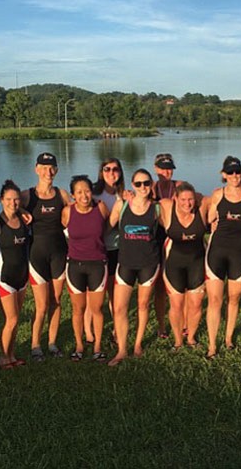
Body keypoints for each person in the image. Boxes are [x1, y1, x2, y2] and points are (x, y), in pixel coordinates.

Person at [205, 156, 241, 359]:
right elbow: (210, 218)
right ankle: (212, 345)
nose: (234, 176)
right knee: (214, 299)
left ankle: (228, 338)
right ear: (224, 175)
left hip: (240, 252)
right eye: (230, 172)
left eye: (237, 172)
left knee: (235, 298)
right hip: (217, 252)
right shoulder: (218, 194)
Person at [21, 152, 72, 361]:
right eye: (43, 167)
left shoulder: (62, 194)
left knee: (56, 300)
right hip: (37, 254)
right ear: (36, 169)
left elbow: (75, 213)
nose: (48, 172)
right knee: (41, 304)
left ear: (56, 170)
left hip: (59, 253)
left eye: (51, 168)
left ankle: (51, 343)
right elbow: (9, 209)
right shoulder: (27, 195)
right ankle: (35, 345)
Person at [108, 169, 160, 366]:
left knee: (143, 305)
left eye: (146, 183)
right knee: (120, 308)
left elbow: (171, 228)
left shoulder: (157, 209)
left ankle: (137, 345)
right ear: (132, 185)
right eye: (138, 184)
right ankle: (122, 349)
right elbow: (107, 227)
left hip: (149, 263)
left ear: (151, 184)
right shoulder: (122, 204)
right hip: (126, 263)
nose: (143, 187)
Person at [61, 175, 110, 362]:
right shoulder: (67, 212)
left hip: (98, 264)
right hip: (75, 265)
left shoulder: (101, 208)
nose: (84, 195)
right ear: (73, 195)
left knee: (97, 309)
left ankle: (97, 347)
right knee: (77, 309)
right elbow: (63, 229)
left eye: (87, 191)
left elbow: (106, 228)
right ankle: (79, 346)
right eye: (79, 192)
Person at [159, 182, 210, 351]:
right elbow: (143, 202)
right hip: (174, 263)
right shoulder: (167, 206)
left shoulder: (202, 208)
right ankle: (178, 341)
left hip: (197, 263)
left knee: (196, 304)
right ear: (175, 198)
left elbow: (221, 197)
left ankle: (192, 339)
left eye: (191, 199)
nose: (187, 204)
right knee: (176, 304)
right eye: (183, 199)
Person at [84, 158, 125, 345]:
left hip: (118, 248)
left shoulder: (124, 195)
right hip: (96, 249)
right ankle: (89, 331)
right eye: (107, 169)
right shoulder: (92, 193)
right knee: (93, 293)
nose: (111, 173)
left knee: (114, 293)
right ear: (101, 172)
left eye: (115, 169)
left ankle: (117, 330)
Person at [0, 180, 29, 369]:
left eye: (16, 200)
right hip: (4, 277)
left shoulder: (24, 220)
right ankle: (3, 358)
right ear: (1, 200)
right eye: (8, 199)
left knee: (16, 319)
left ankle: (12, 354)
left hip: (22, 277)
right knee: (12, 319)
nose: (12, 203)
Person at [151, 153, 180, 338]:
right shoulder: (150, 188)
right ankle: (161, 326)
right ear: (156, 169)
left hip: (174, 239)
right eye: (162, 168)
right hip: (155, 238)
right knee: (160, 287)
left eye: (169, 168)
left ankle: (182, 323)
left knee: (178, 285)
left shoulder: (179, 187)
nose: (166, 172)